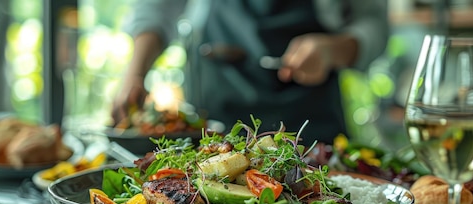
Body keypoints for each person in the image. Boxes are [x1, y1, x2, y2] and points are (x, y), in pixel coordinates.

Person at [112, 0, 389, 143]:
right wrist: (134, 74)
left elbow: (375, 23)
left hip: (311, 129)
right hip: (213, 123)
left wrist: (333, 49)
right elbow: (156, 6)